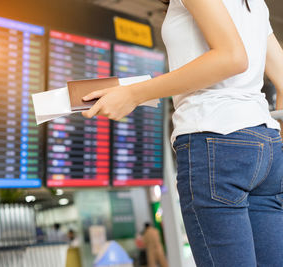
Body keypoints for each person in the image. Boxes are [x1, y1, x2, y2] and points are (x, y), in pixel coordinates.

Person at [81, 0, 283, 266]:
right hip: (266, 146)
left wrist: (132, 94)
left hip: (214, 141)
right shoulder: (255, 3)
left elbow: (232, 58)